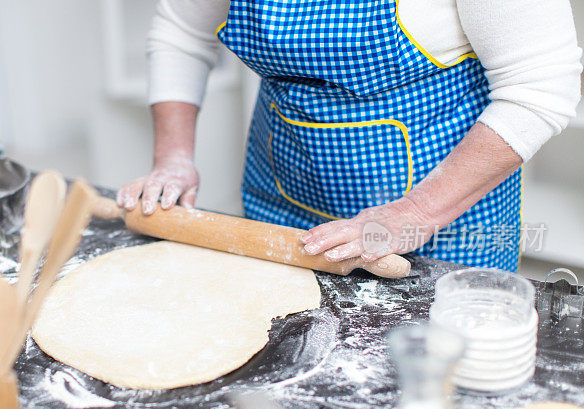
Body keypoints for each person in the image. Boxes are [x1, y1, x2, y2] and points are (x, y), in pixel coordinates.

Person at [117, 0, 582, 272]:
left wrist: (413, 214)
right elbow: (183, 34)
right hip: (284, 203)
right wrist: (173, 157)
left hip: (445, 223)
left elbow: (540, 86)